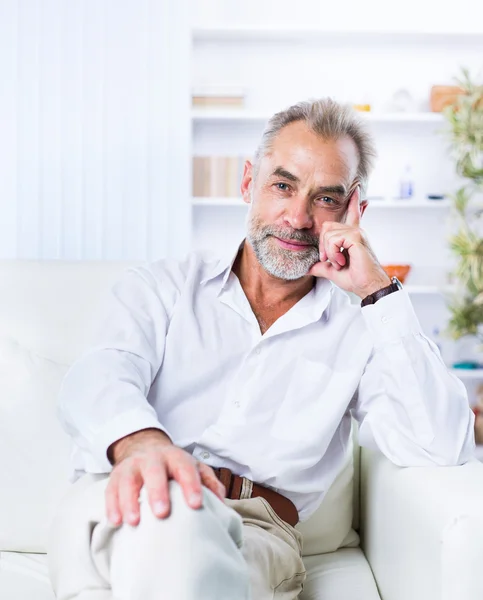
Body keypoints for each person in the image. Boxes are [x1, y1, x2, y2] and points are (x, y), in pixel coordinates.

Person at [48, 98, 475, 600]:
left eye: (326, 199)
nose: (297, 218)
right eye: (283, 186)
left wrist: (378, 293)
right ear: (249, 181)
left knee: (186, 556)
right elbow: (99, 375)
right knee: (170, 539)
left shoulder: (361, 329)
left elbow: (441, 444)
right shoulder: (162, 288)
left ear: (355, 209)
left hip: (253, 531)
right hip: (122, 494)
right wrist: (147, 446)